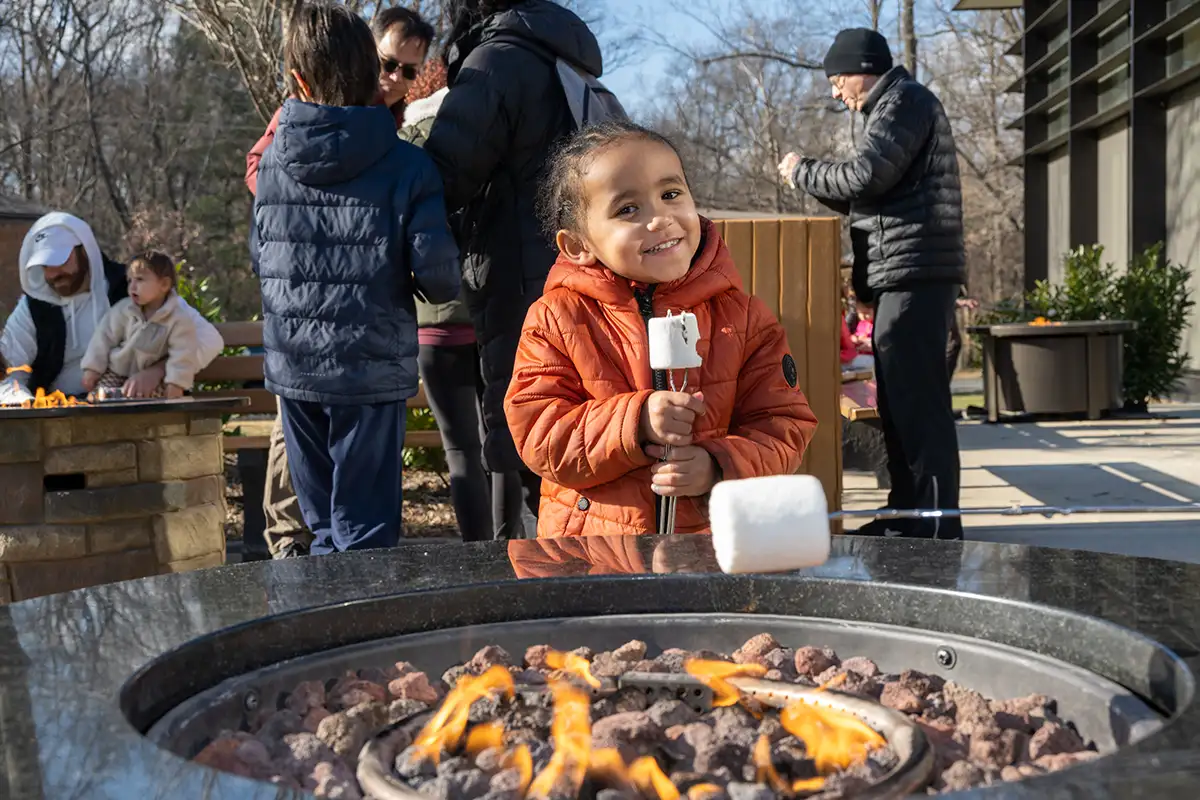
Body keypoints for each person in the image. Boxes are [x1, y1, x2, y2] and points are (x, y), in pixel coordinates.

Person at [504, 121, 819, 538]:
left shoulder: (744, 319)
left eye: (671, 195)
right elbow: (540, 434)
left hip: (708, 546)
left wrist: (717, 463)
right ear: (579, 245)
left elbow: (785, 426)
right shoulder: (557, 319)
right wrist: (634, 422)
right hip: (590, 553)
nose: (660, 219)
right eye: (628, 209)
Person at [251, 1, 460, 555]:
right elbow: (440, 281)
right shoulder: (409, 165)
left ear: (298, 78)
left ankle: (325, 631)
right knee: (366, 532)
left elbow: (262, 256)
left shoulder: (270, 162)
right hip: (367, 369)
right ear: (372, 70)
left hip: (295, 368)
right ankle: (366, 634)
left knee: (321, 528)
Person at [424, 0, 609, 539]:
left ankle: (536, 596)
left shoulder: (497, 63)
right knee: (577, 432)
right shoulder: (570, 64)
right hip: (584, 270)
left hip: (518, 277)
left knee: (528, 431)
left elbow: (446, 174)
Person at [778, 28, 966, 540]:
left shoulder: (905, 102)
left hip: (916, 273)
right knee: (899, 403)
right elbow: (870, 195)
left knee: (918, 405)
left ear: (863, 68)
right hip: (905, 272)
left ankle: (931, 528)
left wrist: (803, 171)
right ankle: (906, 514)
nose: (836, 93)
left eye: (837, 80)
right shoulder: (894, 108)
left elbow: (865, 178)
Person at [399, 60, 492, 544]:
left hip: (435, 321)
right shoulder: (493, 130)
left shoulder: (410, 141)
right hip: (494, 311)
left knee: (460, 450)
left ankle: (480, 558)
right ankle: (520, 552)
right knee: (504, 442)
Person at [0, 212, 223, 403]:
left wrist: (157, 372)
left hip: (131, 406)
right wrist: (29, 406)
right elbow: (9, 372)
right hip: (59, 416)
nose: (53, 274)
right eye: (45, 265)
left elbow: (208, 340)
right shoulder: (33, 308)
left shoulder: (132, 286)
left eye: (61, 261)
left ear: (84, 252)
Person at [81, 252, 201, 399]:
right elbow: (103, 338)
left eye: (139, 280)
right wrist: (92, 369)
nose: (132, 287)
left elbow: (183, 355)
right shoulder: (123, 310)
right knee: (98, 398)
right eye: (130, 280)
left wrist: (176, 384)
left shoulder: (178, 319)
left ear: (164, 284)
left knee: (150, 401)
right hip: (117, 372)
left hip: (156, 380)